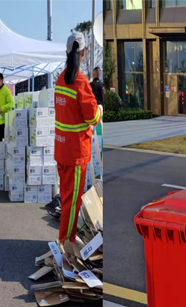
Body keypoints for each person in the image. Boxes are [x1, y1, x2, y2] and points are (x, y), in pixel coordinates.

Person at [53, 31, 102, 253]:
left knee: (66, 199)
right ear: (83, 54)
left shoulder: (60, 79)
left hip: (62, 149)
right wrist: (99, 111)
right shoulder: (81, 83)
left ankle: (66, 237)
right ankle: (66, 242)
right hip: (76, 152)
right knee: (72, 203)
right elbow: (92, 117)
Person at [0, 72, 14, 141]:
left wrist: (1, 109)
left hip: (3, 122)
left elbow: (11, 103)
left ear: (2, 80)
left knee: (2, 144)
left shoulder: (7, 91)